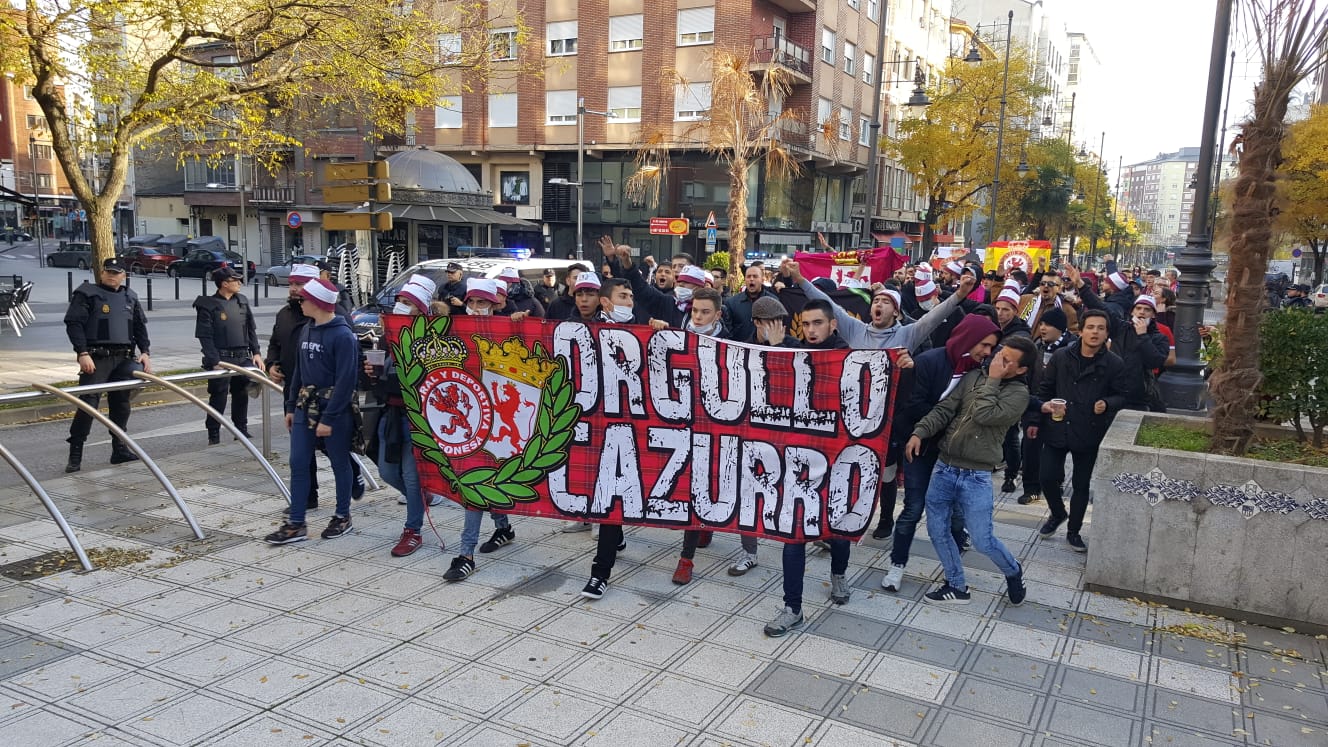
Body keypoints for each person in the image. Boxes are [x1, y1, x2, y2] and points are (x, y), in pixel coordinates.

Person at [905, 336, 1037, 606]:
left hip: (976, 475)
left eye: (1007, 360)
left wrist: (994, 379)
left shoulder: (1018, 395)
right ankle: (956, 585)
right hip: (945, 466)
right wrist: (920, 431)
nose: (997, 360)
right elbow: (945, 409)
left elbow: (984, 415)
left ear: (1021, 370)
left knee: (982, 539)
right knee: (937, 529)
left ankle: (1013, 571)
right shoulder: (973, 377)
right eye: (1000, 353)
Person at [878, 315, 994, 594]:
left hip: (956, 454)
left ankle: (952, 574)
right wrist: (939, 424)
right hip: (920, 446)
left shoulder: (983, 370)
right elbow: (912, 405)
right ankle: (897, 564)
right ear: (968, 338)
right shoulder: (929, 362)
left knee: (956, 514)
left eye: (992, 347)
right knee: (913, 508)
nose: (988, 352)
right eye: (984, 345)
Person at [763, 299, 854, 637]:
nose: (812, 330)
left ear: (833, 326)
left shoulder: (852, 358)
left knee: (837, 526)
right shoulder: (793, 354)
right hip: (798, 461)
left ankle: (839, 574)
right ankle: (792, 607)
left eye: (818, 323)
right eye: (807, 324)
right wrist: (777, 354)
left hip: (837, 460)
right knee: (793, 534)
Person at [265, 278, 362, 544]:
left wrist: (329, 418)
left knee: (339, 461)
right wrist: (290, 406)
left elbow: (346, 380)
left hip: (334, 410)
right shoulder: (307, 327)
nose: (300, 301)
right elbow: (298, 371)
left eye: (305, 299)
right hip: (305, 406)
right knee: (298, 462)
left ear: (318, 303)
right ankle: (297, 523)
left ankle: (343, 515)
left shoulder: (343, 335)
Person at [442, 277, 518, 581]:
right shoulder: (455, 329)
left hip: (498, 420)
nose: (475, 308)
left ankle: (478, 544)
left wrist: (516, 325)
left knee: (482, 481)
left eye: (482, 303)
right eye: (471, 302)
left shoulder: (506, 328)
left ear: (494, 304)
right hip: (469, 418)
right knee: (475, 482)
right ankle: (469, 551)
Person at [1036, 309, 1129, 552]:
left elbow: (1124, 395)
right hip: (1057, 425)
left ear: (1107, 333)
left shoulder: (1114, 364)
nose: (1095, 332)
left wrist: (1107, 404)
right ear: (1081, 330)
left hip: (1088, 429)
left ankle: (1074, 531)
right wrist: (1039, 414)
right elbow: (1044, 389)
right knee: (1046, 476)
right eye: (1090, 327)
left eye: (1100, 328)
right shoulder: (1061, 356)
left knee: (1081, 484)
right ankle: (1057, 513)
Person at [366, 274, 446, 558]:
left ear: (421, 309)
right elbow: (377, 379)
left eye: (407, 303)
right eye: (399, 301)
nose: (400, 306)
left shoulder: (431, 338)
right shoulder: (387, 334)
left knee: (412, 477)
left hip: (418, 418)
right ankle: (423, 497)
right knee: (388, 472)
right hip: (390, 413)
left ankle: (413, 530)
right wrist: (372, 375)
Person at [579, 276, 643, 601]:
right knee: (598, 492)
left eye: (631, 295)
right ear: (607, 302)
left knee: (610, 497)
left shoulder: (644, 331)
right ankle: (615, 537)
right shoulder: (584, 332)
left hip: (628, 430)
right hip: (595, 426)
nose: (629, 300)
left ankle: (599, 573)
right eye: (623, 295)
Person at [62, 257, 152, 472]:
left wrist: (146, 352)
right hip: (96, 358)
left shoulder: (130, 296)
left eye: (116, 272)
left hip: (124, 358)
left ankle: (119, 450)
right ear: (102, 273)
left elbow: (139, 326)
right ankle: (75, 454)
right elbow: (74, 324)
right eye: (108, 272)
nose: (112, 276)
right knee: (88, 405)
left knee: (121, 404)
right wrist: (82, 353)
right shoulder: (87, 294)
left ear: (124, 275)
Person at [194, 266, 263, 444]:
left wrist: (256, 352)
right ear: (224, 284)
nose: (239, 283)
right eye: (235, 280)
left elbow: (250, 329)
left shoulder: (242, 301)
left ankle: (241, 430)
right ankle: (214, 434)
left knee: (242, 394)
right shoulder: (208, 305)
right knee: (219, 396)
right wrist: (214, 360)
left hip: (241, 356)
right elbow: (205, 336)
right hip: (221, 358)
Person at [1018, 307, 1076, 506]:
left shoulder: (1071, 349)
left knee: (1056, 449)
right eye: (1041, 324)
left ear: (1060, 328)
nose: (1043, 328)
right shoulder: (1037, 346)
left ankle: (1054, 482)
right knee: (1030, 448)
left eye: (1048, 325)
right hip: (1035, 405)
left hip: (1059, 409)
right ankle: (1031, 489)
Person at [722, 263, 778, 343]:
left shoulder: (773, 301)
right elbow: (727, 330)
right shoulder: (732, 303)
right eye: (748, 276)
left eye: (755, 276)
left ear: (762, 279)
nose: (751, 279)